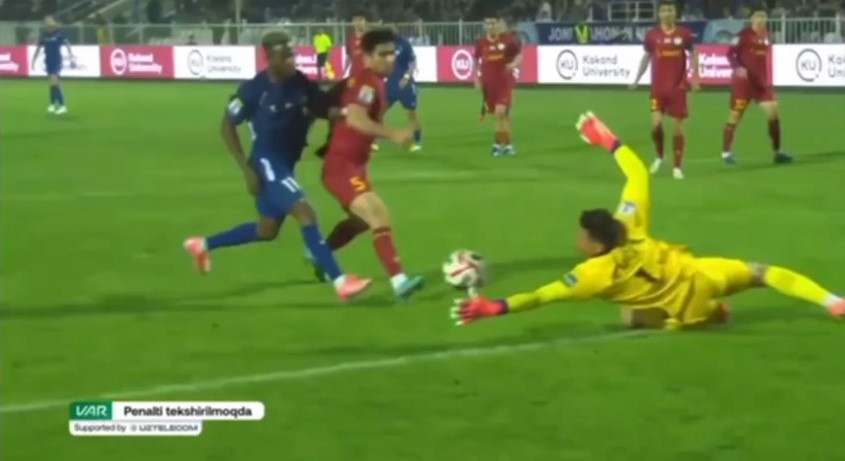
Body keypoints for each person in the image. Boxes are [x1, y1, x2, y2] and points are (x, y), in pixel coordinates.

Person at [452, 112, 844, 328]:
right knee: (762, 273)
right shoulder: (629, 222)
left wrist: (495, 307)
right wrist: (607, 139)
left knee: (631, 316)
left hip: (685, 309)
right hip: (700, 274)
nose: (577, 239)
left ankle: (706, 316)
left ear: (595, 243)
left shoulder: (591, 275)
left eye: (581, 236)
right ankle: (832, 301)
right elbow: (638, 172)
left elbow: (541, 296)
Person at [183, 32, 372, 302]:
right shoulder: (253, 90)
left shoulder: (301, 83)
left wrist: (345, 108)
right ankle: (341, 282)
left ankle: (202, 244)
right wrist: (246, 170)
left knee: (267, 230)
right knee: (306, 213)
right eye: (284, 56)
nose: (291, 60)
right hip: (266, 162)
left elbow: (322, 108)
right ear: (269, 59)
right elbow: (227, 126)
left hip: (285, 164)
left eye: (292, 54)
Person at [320, 28, 425, 301]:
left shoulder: (374, 81)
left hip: (353, 165)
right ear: (366, 57)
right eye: (383, 54)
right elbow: (355, 119)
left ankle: (320, 253)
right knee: (379, 215)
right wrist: (392, 133)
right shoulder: (366, 83)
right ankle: (399, 281)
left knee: (361, 221)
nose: (390, 59)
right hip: (342, 166)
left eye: (392, 53)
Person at [631, 0, 699, 179]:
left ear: (675, 13)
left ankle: (677, 167)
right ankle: (659, 156)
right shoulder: (652, 35)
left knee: (677, 128)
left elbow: (693, 54)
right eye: (664, 10)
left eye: (671, 10)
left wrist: (695, 77)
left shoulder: (684, 34)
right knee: (656, 125)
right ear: (659, 14)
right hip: (658, 89)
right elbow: (646, 57)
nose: (668, 13)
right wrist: (636, 79)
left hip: (678, 88)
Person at [722, 6, 792, 165]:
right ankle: (726, 152)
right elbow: (729, 54)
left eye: (763, 16)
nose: (761, 19)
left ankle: (777, 152)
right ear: (751, 18)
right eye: (758, 16)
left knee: (773, 114)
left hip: (761, 84)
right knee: (735, 116)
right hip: (744, 84)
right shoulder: (743, 35)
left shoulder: (766, 34)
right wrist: (737, 67)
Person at [475, 15, 522, 156]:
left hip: (504, 82)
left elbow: (519, 54)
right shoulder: (481, 43)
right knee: (501, 116)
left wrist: (513, 64)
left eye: (492, 23)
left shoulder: (507, 40)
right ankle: (507, 145)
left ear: (498, 24)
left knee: (499, 112)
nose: (490, 26)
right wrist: (476, 78)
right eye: (487, 24)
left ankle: (496, 144)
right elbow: (476, 60)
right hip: (489, 85)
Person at [375, 26, 422, 152]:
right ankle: (376, 141)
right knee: (379, 112)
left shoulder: (404, 44)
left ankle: (417, 140)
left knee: (411, 114)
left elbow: (413, 62)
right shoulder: (384, 46)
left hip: (405, 85)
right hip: (390, 84)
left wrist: (407, 77)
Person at [31, 16, 74, 115]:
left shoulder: (59, 33)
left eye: (50, 21)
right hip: (48, 61)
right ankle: (52, 104)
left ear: (54, 22)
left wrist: (71, 57)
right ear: (44, 24)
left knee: (55, 82)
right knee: (51, 84)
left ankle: (63, 106)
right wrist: (33, 61)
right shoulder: (43, 35)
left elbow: (67, 44)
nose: (48, 23)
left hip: (57, 61)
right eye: (46, 21)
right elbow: (38, 48)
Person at [344, 12, 368, 78]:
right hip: (354, 74)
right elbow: (348, 57)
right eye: (358, 20)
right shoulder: (351, 39)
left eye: (362, 20)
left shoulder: (370, 38)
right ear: (353, 23)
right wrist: (344, 71)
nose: (360, 23)